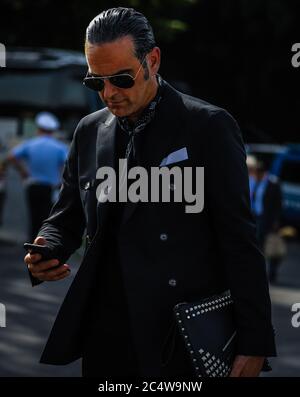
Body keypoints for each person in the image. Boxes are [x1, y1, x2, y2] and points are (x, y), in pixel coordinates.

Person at [24, 7, 276, 378]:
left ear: (152, 60)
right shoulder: (88, 130)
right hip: (106, 336)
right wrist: (46, 246)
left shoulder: (208, 127)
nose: (108, 94)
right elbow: (67, 216)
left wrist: (254, 342)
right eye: (96, 82)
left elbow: (239, 239)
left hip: (179, 336)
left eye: (121, 79)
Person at [6, 112, 68, 241]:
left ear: (39, 128)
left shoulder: (30, 144)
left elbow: (11, 157)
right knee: (47, 217)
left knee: (34, 216)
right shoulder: (59, 147)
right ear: (53, 130)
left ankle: (31, 246)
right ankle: (44, 243)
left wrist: (23, 171)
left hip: (32, 185)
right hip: (50, 188)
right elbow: (68, 164)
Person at [250, 160, 283, 283]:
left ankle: (272, 273)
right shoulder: (256, 183)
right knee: (259, 247)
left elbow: (278, 204)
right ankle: (259, 273)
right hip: (256, 218)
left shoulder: (273, 183)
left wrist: (276, 221)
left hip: (267, 219)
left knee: (272, 247)